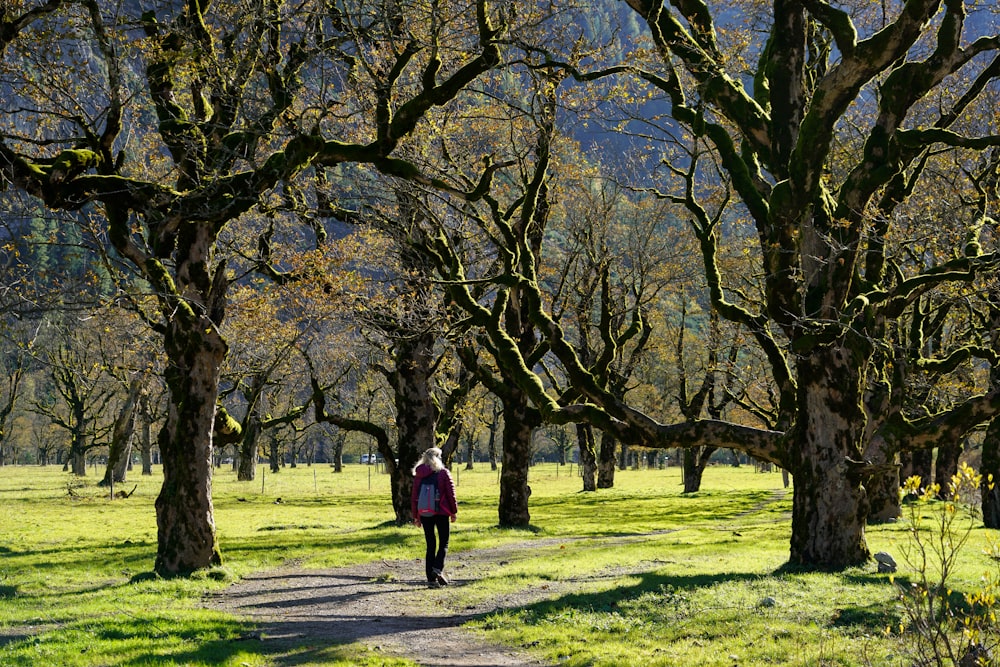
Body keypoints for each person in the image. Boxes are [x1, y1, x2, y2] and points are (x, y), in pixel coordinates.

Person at [411, 447, 457, 588]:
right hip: (442, 512)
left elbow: (414, 497)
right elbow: (451, 493)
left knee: (430, 545)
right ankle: (437, 568)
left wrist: (416, 516)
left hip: (425, 513)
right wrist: (453, 511)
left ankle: (431, 580)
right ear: (438, 458)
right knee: (444, 542)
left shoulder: (419, 475)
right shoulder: (443, 473)